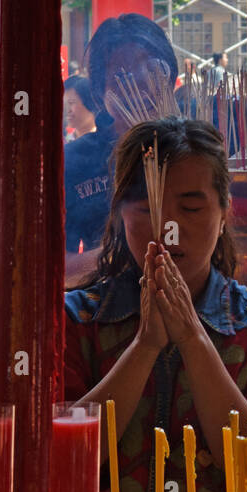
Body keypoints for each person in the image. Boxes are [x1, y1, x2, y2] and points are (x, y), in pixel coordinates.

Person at [64, 118, 247, 492]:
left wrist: (194, 340)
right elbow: (62, 461)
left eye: (191, 207)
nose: (168, 228)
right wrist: (145, 347)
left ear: (225, 211)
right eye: (146, 208)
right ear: (119, 214)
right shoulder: (77, 320)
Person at [65, 14, 179, 287]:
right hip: (105, 308)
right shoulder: (75, 161)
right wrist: (132, 252)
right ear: (99, 91)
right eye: (120, 77)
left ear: (169, 76)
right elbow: (61, 268)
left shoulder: (195, 150)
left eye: (150, 71)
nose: (138, 87)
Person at [64, 75, 97, 141]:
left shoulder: (106, 144)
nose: (67, 110)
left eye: (71, 103)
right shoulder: (65, 143)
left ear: (89, 102)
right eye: (64, 104)